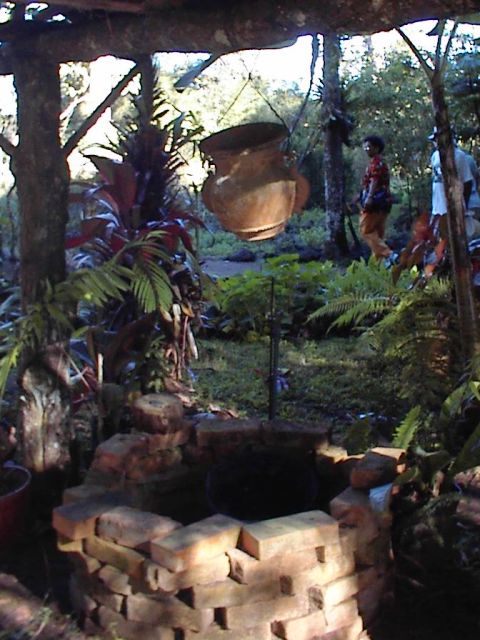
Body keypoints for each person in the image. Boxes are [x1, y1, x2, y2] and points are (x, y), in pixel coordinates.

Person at [356, 135, 396, 265]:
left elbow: (374, 180)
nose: (366, 149)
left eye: (369, 147)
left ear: (377, 148)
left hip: (376, 202)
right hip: (384, 202)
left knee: (366, 230)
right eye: (365, 147)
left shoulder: (377, 163)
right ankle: (380, 265)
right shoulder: (377, 162)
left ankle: (389, 254)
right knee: (378, 235)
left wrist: (369, 197)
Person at [429, 127, 475, 240]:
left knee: (456, 238)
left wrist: (463, 205)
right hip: (437, 208)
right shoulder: (435, 156)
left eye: (438, 138)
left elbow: (468, 182)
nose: (436, 142)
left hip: (454, 207)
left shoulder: (459, 156)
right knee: (437, 239)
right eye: (435, 139)